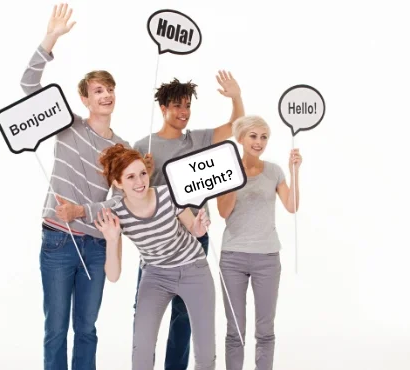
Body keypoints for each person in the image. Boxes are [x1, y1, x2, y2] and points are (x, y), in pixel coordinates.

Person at [19, 3, 143, 369]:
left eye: (110, 89)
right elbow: (28, 85)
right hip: (58, 239)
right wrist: (51, 38)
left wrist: (82, 212)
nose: (106, 95)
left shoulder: (122, 149)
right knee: (56, 329)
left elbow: (121, 203)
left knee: (86, 329)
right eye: (98, 90)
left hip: (95, 245)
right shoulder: (67, 125)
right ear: (85, 99)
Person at [131, 72, 244, 369]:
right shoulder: (144, 146)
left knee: (184, 316)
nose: (183, 113)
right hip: (157, 246)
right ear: (163, 108)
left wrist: (236, 97)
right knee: (143, 315)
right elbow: (130, 193)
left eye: (187, 106)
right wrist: (144, 170)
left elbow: (235, 126)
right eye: (177, 106)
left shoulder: (198, 139)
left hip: (194, 241)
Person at [93, 144, 217, 370]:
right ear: (118, 183)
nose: (140, 182)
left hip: (193, 269)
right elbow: (112, 275)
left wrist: (200, 228)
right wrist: (111, 239)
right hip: (156, 276)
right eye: (130, 177)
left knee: (206, 355)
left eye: (142, 173)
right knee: (141, 350)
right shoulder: (117, 214)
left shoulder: (168, 194)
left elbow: (194, 229)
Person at [215, 115, 302, 370]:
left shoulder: (274, 171)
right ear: (241, 138)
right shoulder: (226, 170)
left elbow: (292, 205)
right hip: (233, 257)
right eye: (253, 136)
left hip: (267, 258)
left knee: (265, 330)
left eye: (264, 137)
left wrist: (295, 171)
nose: (259, 142)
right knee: (235, 331)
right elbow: (223, 212)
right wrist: (233, 177)